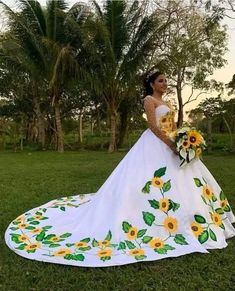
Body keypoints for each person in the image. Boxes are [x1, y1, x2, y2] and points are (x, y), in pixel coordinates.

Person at [5, 72, 235, 267]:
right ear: (152, 84)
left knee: (185, 181)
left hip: (174, 142)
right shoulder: (149, 100)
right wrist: (172, 146)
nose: (165, 84)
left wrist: (183, 141)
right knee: (147, 182)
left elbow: (171, 126)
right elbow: (154, 128)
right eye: (161, 81)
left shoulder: (169, 103)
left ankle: (193, 219)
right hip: (157, 145)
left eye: (166, 81)